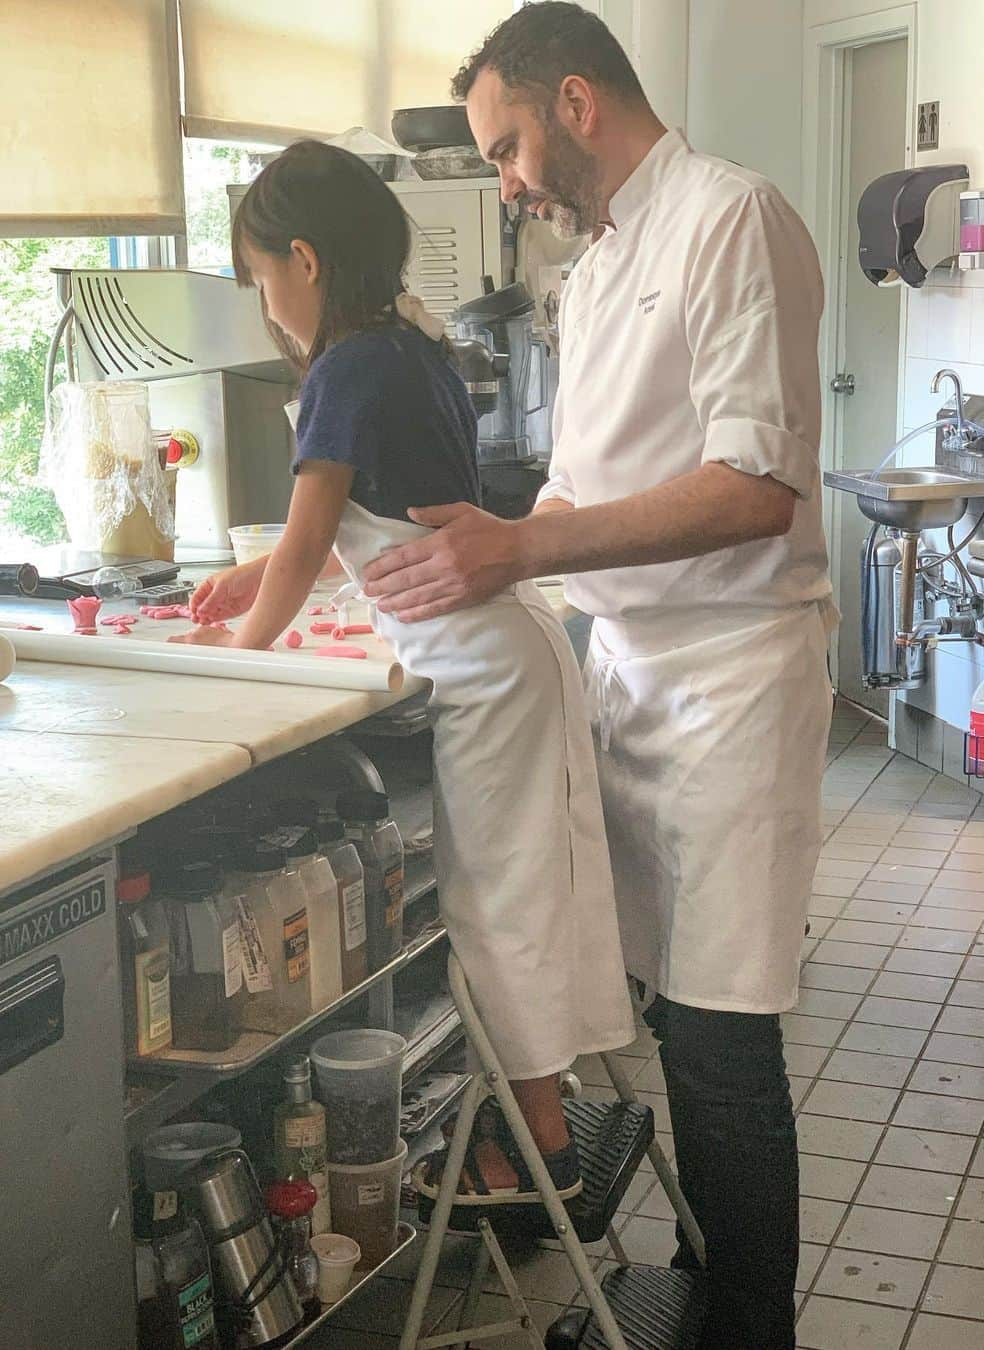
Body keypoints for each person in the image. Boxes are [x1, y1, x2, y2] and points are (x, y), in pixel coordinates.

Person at [360, 5, 835, 1346]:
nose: (504, 180)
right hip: (629, 671)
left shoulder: (728, 216)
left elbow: (754, 488)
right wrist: (468, 559)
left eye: (507, 146)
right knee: (666, 1024)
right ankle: (697, 1272)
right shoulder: (606, 259)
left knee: (726, 1046)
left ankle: (752, 1327)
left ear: (576, 105)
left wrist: (531, 544)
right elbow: (584, 481)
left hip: (730, 679)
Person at [171, 138, 635, 1205]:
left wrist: (240, 665)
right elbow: (367, 523)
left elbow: (309, 539)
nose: (267, 305)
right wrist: (254, 584)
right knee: (526, 891)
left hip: (481, 669)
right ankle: (542, 1127)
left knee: (494, 908)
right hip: (509, 651)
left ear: (305, 258)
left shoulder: (341, 368)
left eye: (261, 281)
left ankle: (537, 1155)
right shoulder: (410, 345)